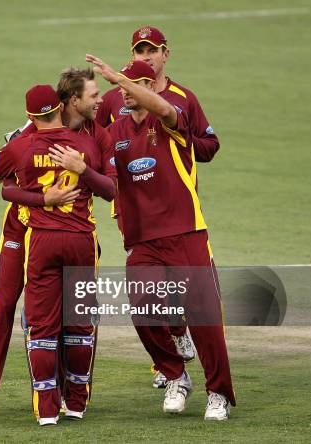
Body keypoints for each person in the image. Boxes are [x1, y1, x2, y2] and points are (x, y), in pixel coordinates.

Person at [78, 55, 234, 420]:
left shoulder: (170, 120)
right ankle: (176, 375)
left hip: (185, 230)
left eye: (133, 86)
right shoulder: (114, 133)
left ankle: (218, 394)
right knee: (143, 309)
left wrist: (124, 79)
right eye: (120, 87)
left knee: (205, 319)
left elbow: (164, 108)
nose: (124, 93)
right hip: (143, 239)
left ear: (149, 87)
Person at [0, 68, 114, 415]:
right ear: (71, 102)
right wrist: (41, 200)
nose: (101, 101)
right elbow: (0, 177)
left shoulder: (98, 135)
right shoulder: (33, 130)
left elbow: (110, 188)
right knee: (4, 302)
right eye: (94, 96)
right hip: (22, 230)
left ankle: (69, 395)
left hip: (72, 234)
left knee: (75, 314)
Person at [96, 26, 220, 387]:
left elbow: (211, 146)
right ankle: (168, 368)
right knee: (149, 290)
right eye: (139, 51)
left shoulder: (183, 99)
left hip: (177, 209)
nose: (145, 56)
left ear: (166, 53)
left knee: (184, 289)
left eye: (152, 50)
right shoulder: (117, 98)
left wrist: (176, 144)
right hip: (132, 208)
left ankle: (180, 336)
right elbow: (90, 127)